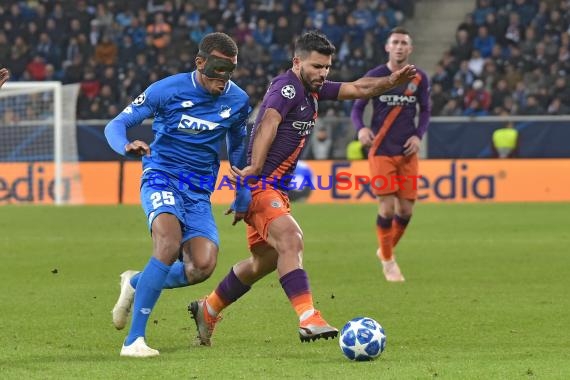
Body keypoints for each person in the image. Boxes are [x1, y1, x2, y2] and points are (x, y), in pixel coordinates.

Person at [188, 31, 416, 346]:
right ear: (298, 62)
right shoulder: (287, 87)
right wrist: (254, 167)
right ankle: (309, 318)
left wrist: (390, 82)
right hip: (260, 185)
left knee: (263, 263)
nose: (323, 73)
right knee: (291, 240)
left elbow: (357, 88)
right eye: (316, 67)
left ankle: (209, 308)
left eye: (326, 67)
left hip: (274, 189)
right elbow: (267, 122)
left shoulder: (312, 90)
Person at [104, 32, 251, 357]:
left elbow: (238, 146)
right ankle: (134, 341)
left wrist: (243, 191)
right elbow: (115, 125)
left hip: (199, 191)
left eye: (230, 71)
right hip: (162, 177)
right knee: (168, 244)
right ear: (199, 63)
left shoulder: (238, 101)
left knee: (202, 266)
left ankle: (135, 283)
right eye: (217, 70)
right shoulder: (166, 90)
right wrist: (126, 146)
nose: (223, 80)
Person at [350, 27, 431, 282]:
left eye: (403, 43)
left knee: (406, 211)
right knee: (386, 209)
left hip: (407, 151)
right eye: (395, 42)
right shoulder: (376, 76)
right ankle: (388, 260)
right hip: (381, 150)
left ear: (410, 49)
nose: (399, 46)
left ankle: (384, 249)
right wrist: (361, 128)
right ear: (387, 47)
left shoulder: (419, 78)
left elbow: (426, 110)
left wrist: (418, 134)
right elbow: (357, 107)